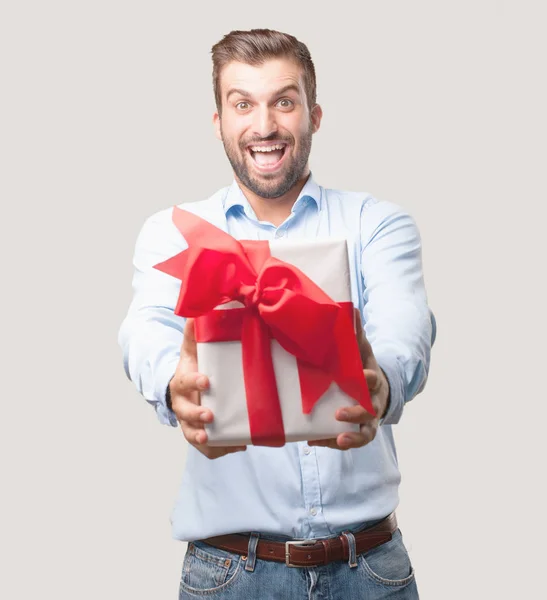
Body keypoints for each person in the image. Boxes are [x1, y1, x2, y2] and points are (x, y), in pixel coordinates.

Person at [118, 28, 436, 600]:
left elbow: (404, 329)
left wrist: (379, 386)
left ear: (313, 114)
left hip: (369, 571)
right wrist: (174, 387)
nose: (264, 126)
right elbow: (145, 328)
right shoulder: (173, 232)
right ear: (218, 121)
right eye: (243, 104)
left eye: (283, 101)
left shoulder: (375, 224)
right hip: (230, 574)